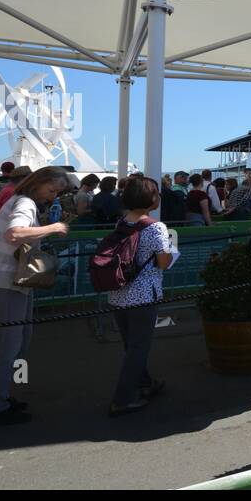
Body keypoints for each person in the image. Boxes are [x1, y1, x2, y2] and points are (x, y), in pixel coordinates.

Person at [0, 166, 71, 426]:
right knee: (8, 346)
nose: (52, 196)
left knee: (16, 341)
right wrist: (54, 227)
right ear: (38, 183)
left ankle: (1, 396)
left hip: (8, 283)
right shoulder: (26, 204)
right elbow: (14, 233)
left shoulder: (19, 200)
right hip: (6, 284)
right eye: (51, 190)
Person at [106, 177, 175, 416]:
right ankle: (122, 399)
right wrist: (173, 251)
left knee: (132, 346)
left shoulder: (122, 222)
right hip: (144, 295)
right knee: (139, 348)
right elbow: (164, 262)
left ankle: (146, 383)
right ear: (151, 199)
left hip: (118, 293)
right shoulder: (156, 227)